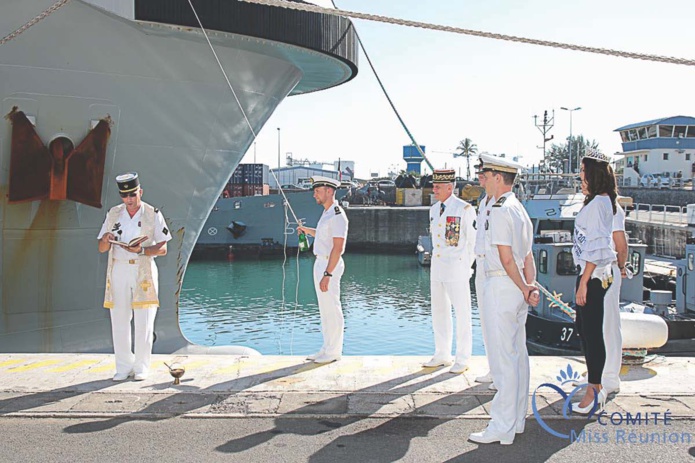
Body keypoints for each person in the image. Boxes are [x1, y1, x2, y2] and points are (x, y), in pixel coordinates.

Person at [469, 154, 539, 446]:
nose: (483, 179)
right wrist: (529, 286)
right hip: (514, 288)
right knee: (517, 355)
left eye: (487, 174)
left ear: (499, 177)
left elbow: (508, 258)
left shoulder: (499, 210)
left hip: (501, 284)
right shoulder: (519, 208)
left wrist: (524, 286)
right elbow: (528, 257)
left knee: (503, 359)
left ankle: (501, 426)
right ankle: (516, 420)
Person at [97, 173, 171, 381]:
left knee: (144, 321)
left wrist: (141, 251)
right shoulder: (114, 214)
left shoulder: (153, 213)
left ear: (140, 192)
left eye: (133, 194)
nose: (129, 199)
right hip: (119, 269)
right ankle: (122, 366)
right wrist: (106, 238)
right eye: (125, 195)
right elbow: (102, 248)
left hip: (143, 269)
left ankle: (141, 367)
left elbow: (163, 247)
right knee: (119, 320)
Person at [571, 148, 618, 414]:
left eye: (582, 169)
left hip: (594, 275)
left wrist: (583, 282)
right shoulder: (597, 201)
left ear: (592, 173)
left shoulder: (600, 203)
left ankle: (595, 390)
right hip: (592, 274)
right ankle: (593, 382)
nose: (580, 174)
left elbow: (598, 247)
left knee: (591, 334)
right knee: (585, 331)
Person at [423, 169, 476, 373]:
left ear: (449, 187)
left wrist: (467, 268)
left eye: (438, 186)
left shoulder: (464, 209)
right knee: (439, 312)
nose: (434, 189)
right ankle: (442, 353)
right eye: (434, 186)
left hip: (457, 269)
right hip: (437, 268)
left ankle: (462, 358)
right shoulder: (434, 210)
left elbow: (471, 242)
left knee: (462, 314)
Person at [297, 176, 349, 364]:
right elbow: (323, 235)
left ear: (329, 191)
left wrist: (328, 274)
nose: (314, 195)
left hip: (330, 264)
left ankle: (334, 351)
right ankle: (326, 348)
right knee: (324, 309)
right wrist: (306, 230)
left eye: (317, 191)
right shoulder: (327, 213)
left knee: (332, 308)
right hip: (321, 262)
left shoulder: (337, 214)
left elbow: (338, 247)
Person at [473, 162, 496, 389]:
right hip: (481, 265)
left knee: (497, 322)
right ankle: (493, 368)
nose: (480, 178)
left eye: (483, 174)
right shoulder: (484, 203)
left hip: (495, 268)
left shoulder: (502, 205)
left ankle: (500, 373)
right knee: (486, 321)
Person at [603, 197, 628, 396]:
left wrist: (620, 267)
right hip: (593, 270)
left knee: (610, 325)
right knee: (596, 327)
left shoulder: (612, 208)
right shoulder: (594, 205)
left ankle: (610, 377)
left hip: (607, 270)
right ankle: (598, 372)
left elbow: (620, 241)